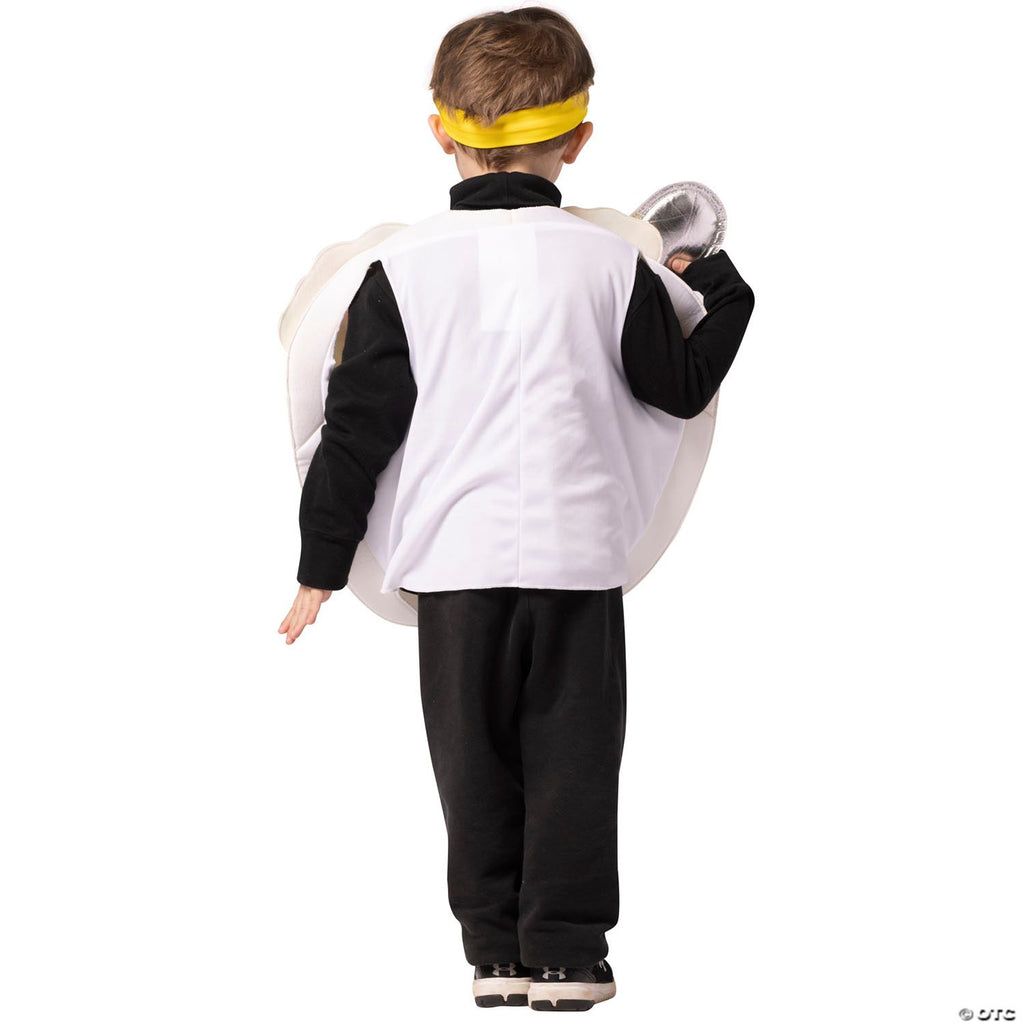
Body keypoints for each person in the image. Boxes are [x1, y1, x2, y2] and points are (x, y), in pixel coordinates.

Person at [278, 6, 755, 1011]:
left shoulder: (400, 271)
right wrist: (723, 291)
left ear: (441, 133)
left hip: (454, 567)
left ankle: (494, 951)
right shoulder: (612, 265)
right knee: (574, 764)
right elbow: (675, 388)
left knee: (473, 764)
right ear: (579, 140)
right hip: (578, 564)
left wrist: (320, 565)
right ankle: (569, 957)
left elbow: (358, 428)